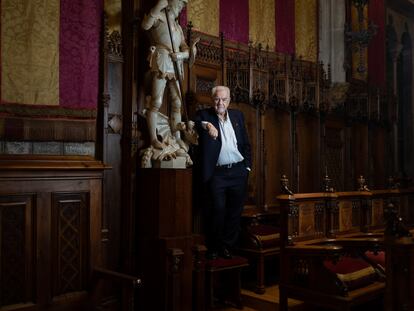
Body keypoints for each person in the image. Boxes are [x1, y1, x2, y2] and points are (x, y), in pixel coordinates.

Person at [194, 86, 252, 259]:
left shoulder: (237, 116)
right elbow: (193, 122)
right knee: (217, 211)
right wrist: (207, 125)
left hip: (238, 171)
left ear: (229, 100)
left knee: (234, 212)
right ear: (212, 100)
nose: (220, 103)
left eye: (224, 99)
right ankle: (214, 248)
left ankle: (227, 247)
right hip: (217, 174)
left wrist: (247, 167)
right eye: (217, 99)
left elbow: (246, 144)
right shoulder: (205, 115)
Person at [142, 0, 189, 151]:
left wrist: (181, 55)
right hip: (162, 58)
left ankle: (177, 137)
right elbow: (145, 25)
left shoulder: (178, 27)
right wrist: (156, 7)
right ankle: (154, 138)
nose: (181, 8)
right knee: (156, 101)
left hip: (176, 63)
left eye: (182, 6)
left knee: (177, 103)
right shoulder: (160, 17)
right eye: (179, 4)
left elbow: (185, 48)